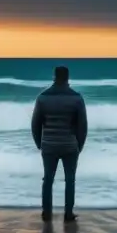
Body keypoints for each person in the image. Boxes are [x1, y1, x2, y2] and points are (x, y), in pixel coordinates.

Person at [31, 65, 87, 222]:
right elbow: (82, 126)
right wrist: (79, 145)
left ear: (54, 77)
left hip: (49, 144)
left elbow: (35, 124)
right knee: (70, 180)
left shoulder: (43, 97)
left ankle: (46, 214)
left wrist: (40, 144)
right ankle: (68, 214)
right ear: (68, 78)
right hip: (70, 145)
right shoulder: (76, 98)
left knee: (48, 179)